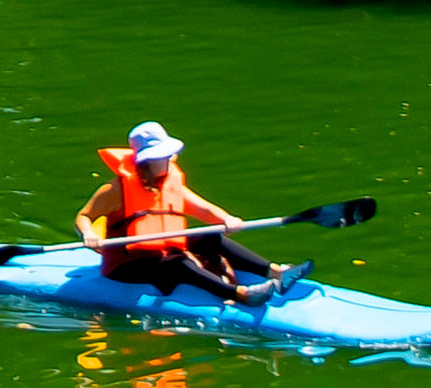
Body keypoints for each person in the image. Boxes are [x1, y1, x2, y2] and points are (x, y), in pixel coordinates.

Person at [80, 123, 293, 307]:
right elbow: (84, 216)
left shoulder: (168, 183)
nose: (172, 158)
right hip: (126, 266)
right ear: (148, 161)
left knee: (211, 236)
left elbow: (203, 210)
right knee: (177, 263)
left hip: (163, 251)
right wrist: (87, 233)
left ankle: (276, 272)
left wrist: (226, 219)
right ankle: (240, 295)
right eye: (164, 155)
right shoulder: (115, 190)